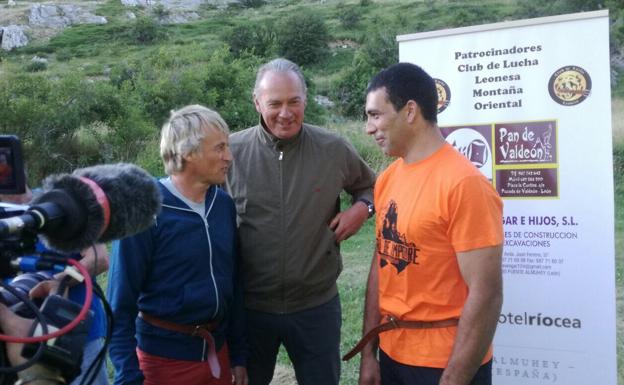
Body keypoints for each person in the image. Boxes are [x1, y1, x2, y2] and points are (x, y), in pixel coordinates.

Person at [226, 58, 376, 385]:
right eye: (274, 103)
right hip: (250, 309)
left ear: (305, 100)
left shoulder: (333, 148)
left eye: (294, 101)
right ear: (256, 103)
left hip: (316, 305)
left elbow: (374, 187)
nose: (285, 112)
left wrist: (362, 209)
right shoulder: (230, 152)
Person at [355, 62, 503, 385]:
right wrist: (370, 352)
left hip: (444, 365)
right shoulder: (388, 178)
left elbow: (487, 294)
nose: (369, 127)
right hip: (393, 355)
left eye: (376, 114)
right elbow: (383, 264)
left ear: (410, 111)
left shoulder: (464, 184)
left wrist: (454, 378)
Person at [107, 105, 247, 385]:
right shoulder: (145, 213)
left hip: (218, 354)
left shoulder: (222, 205)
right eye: (219, 148)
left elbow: (234, 285)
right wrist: (128, 377)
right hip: (164, 363)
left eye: (227, 147)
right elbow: (119, 306)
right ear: (188, 153)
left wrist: (239, 355)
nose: (229, 157)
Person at [0, 188, 109, 385]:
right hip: (19, 335)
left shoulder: (61, 203)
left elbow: (99, 258)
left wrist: (60, 282)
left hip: (76, 333)